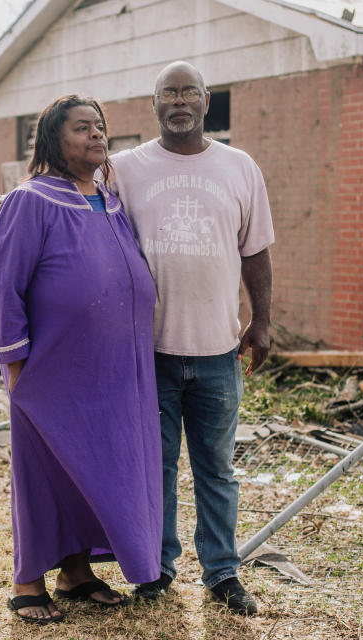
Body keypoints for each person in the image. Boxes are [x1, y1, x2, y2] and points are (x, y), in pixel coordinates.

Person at [0, 94, 162, 625]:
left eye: (100, 127)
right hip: (52, 372)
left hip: (117, 371)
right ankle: (26, 583)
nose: (97, 135)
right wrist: (15, 366)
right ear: (54, 140)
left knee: (94, 470)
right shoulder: (31, 201)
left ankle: (76, 573)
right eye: (82, 128)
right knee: (45, 473)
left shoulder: (111, 199)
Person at [111, 61, 274, 615]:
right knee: (154, 469)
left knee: (216, 470)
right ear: (152, 104)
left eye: (189, 92)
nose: (179, 101)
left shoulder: (239, 166)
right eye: (168, 93)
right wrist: (8, 202)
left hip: (218, 352)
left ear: (207, 102)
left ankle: (222, 573)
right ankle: (157, 569)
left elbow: (256, 250)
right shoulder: (124, 168)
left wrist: (264, 319)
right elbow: (62, 186)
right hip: (147, 352)